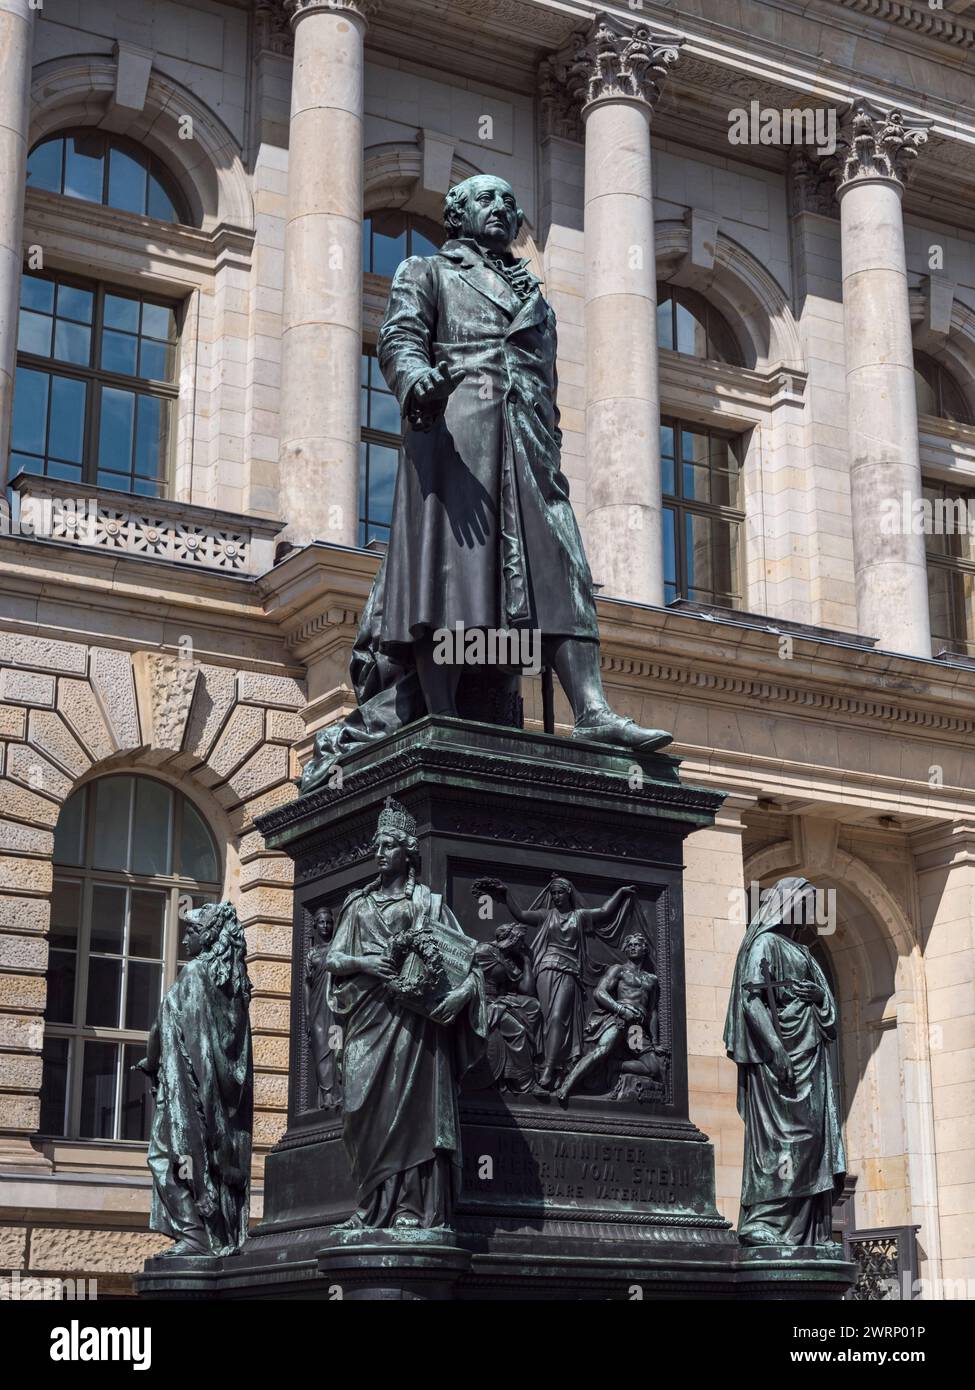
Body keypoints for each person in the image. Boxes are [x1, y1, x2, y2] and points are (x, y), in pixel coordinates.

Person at [300, 173, 670, 793]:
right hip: (458, 436)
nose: (500, 207)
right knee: (454, 581)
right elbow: (399, 338)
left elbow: (545, 381)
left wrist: (544, 435)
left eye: (507, 200)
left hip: (525, 441)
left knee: (562, 564)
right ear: (458, 215)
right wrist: (417, 381)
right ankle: (444, 720)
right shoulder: (427, 271)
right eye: (485, 199)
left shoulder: (535, 294)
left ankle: (592, 713)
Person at [325, 798, 486, 1231]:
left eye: (389, 845)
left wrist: (457, 997)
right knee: (359, 1109)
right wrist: (364, 964)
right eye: (377, 845)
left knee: (413, 1111)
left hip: (415, 1026)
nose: (380, 852)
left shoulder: (428, 906)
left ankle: (409, 1208)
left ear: (408, 852)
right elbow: (333, 958)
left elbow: (466, 964)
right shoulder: (358, 905)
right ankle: (370, 1203)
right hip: (369, 1017)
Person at [723, 876, 846, 1247]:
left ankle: (808, 1232)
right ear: (786, 903)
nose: (808, 913)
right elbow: (751, 999)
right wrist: (775, 1049)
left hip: (811, 1060)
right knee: (782, 1141)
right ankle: (764, 1221)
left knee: (812, 1142)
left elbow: (830, 1015)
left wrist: (819, 998)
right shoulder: (764, 944)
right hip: (780, 1066)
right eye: (803, 904)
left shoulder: (804, 952)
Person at [136, 901, 253, 1257]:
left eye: (192, 931)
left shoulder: (196, 975)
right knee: (181, 1159)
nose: (185, 938)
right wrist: (152, 1059)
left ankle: (195, 1234)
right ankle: (208, 1233)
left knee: (164, 1157)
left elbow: (194, 1041)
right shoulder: (228, 980)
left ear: (209, 936)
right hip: (195, 1085)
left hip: (187, 1088)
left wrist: (201, 1102)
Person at [477, 875, 637, 1090]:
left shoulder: (579, 916)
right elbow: (522, 915)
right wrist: (506, 894)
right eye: (553, 893)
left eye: (560, 892)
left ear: (568, 892)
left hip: (568, 971)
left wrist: (620, 893)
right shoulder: (546, 915)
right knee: (543, 1016)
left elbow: (603, 912)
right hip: (546, 969)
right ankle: (537, 1064)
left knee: (557, 1017)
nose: (556, 897)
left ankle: (550, 1068)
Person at [556, 933, 661, 1103]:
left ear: (645, 949)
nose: (633, 947)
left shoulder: (652, 979)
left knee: (652, 1068)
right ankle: (567, 1085)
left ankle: (615, 1066)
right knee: (601, 1050)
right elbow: (599, 992)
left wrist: (655, 1042)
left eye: (637, 945)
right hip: (621, 1019)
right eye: (630, 945)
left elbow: (652, 1012)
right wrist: (620, 1009)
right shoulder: (619, 970)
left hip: (636, 1028)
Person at [475, 922, 544, 1094]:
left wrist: (526, 961)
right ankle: (526, 1083)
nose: (522, 945)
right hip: (482, 1002)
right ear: (511, 939)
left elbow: (527, 989)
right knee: (517, 1030)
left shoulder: (508, 960)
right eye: (520, 941)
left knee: (533, 1006)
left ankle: (535, 1060)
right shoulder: (483, 951)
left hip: (499, 999)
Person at [304, 906, 341, 1109]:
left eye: (329, 922)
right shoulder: (312, 954)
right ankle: (326, 1095)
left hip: (336, 1005)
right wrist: (308, 1015)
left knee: (337, 1047)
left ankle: (339, 1092)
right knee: (320, 1050)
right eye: (322, 922)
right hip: (318, 1008)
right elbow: (306, 985)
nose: (326, 926)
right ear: (315, 926)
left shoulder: (338, 947)